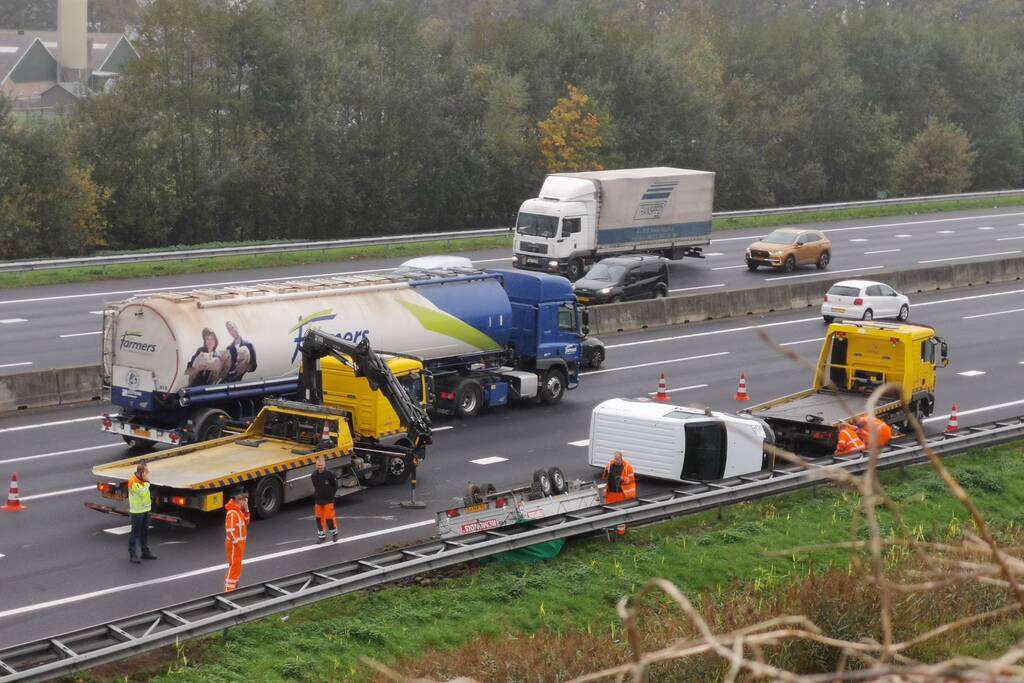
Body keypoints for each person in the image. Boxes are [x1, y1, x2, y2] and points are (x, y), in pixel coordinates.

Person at [128, 462, 157, 564]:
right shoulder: (133, 482)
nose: (148, 474)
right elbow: (143, 493)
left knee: (145, 531)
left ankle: (145, 552)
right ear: (142, 473)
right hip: (137, 512)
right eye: (146, 472)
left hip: (145, 510)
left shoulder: (141, 480)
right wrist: (147, 482)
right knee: (135, 533)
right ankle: (133, 554)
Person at [224, 488, 250, 592]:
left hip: (239, 544)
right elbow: (229, 531)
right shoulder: (232, 513)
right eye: (245, 499)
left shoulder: (239, 511)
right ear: (240, 500)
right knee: (234, 567)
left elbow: (247, 523)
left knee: (237, 567)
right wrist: (236, 544)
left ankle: (233, 587)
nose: (246, 501)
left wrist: (247, 509)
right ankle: (228, 591)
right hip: (235, 545)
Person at [311, 456, 339, 543]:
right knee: (319, 519)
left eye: (321, 465)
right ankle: (322, 537)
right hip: (318, 500)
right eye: (318, 465)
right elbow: (316, 486)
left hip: (328, 500)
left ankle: (334, 534)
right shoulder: (314, 475)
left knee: (329, 519)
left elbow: (335, 485)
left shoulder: (330, 474)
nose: (320, 467)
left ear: (324, 465)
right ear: (316, 465)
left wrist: (331, 495)